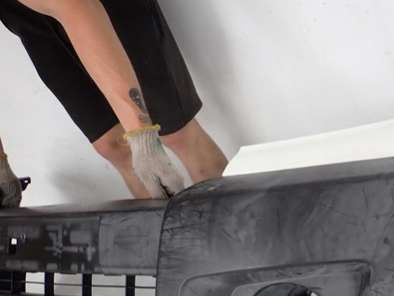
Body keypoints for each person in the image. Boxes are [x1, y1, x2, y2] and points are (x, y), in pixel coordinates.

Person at [0, 0, 227, 205]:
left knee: (175, 132)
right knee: (114, 146)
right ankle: (170, 233)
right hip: (26, 17)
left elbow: (76, 5)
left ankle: (232, 226)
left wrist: (142, 136)